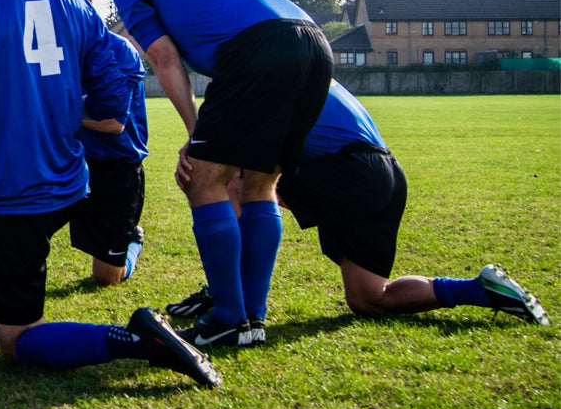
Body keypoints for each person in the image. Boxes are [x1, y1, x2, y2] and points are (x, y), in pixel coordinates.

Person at [0, 0, 219, 389]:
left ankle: (135, 340)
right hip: (71, 180)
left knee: (16, 342)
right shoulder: (77, 7)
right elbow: (117, 83)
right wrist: (73, 108)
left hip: (10, 190)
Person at [102, 0, 332, 348]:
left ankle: (228, 316)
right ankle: (251, 319)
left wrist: (196, 131)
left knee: (203, 179)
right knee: (259, 184)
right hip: (314, 43)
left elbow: (162, 57)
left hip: (259, 48)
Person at [167, 81, 550, 326]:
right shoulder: (297, 63)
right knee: (369, 299)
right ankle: (480, 290)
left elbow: (239, 159)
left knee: (234, 181)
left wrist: (198, 159)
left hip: (348, 169)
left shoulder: (263, 73)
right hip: (383, 175)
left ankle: (228, 301)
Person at [53, 0, 148, 287]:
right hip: (72, 160)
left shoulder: (117, 52)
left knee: (106, 279)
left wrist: (60, 113)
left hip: (115, 165)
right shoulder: (55, 51)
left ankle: (132, 241)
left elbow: (113, 124)